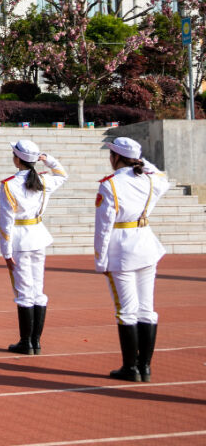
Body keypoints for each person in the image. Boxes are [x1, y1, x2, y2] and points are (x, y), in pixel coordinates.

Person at [95, 137, 169, 383]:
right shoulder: (150, 180)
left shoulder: (110, 184)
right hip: (146, 245)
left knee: (127, 311)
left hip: (121, 249)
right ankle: (145, 367)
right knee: (146, 309)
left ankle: (130, 368)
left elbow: (104, 227)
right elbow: (160, 176)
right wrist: (141, 161)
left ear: (116, 157)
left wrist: (100, 260)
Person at [0, 140, 67, 356]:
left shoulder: (9, 184)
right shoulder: (43, 180)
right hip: (38, 235)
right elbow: (62, 174)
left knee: (23, 292)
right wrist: (48, 159)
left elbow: (6, 221)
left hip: (20, 239)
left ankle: (26, 342)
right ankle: (35, 341)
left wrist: (6, 252)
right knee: (37, 290)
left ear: (17, 159)